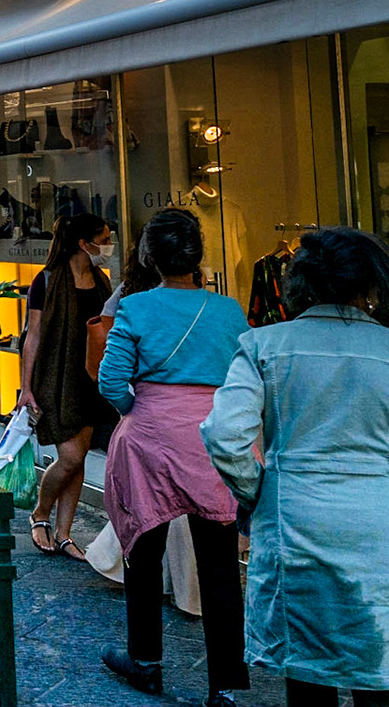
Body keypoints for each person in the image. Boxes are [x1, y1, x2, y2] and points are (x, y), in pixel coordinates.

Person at [203, 228, 389, 707]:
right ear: (371, 287)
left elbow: (225, 435)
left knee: (306, 669)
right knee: (380, 668)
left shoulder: (264, 344)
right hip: (380, 527)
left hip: (296, 524)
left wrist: (257, 491)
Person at [96, 208, 249, 706]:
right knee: (221, 566)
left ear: (149, 257)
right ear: (196, 257)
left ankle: (146, 663)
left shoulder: (136, 308)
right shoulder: (229, 312)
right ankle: (225, 684)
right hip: (212, 440)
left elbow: (111, 379)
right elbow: (245, 381)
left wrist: (142, 412)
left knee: (144, 555)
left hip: (150, 440)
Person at [15, 211, 116, 560]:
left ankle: (63, 533)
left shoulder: (101, 280)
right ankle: (40, 513)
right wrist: (25, 388)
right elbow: (33, 336)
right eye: (103, 240)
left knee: (78, 458)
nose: (108, 246)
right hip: (55, 379)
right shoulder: (46, 280)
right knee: (70, 456)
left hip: (90, 379)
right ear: (83, 244)